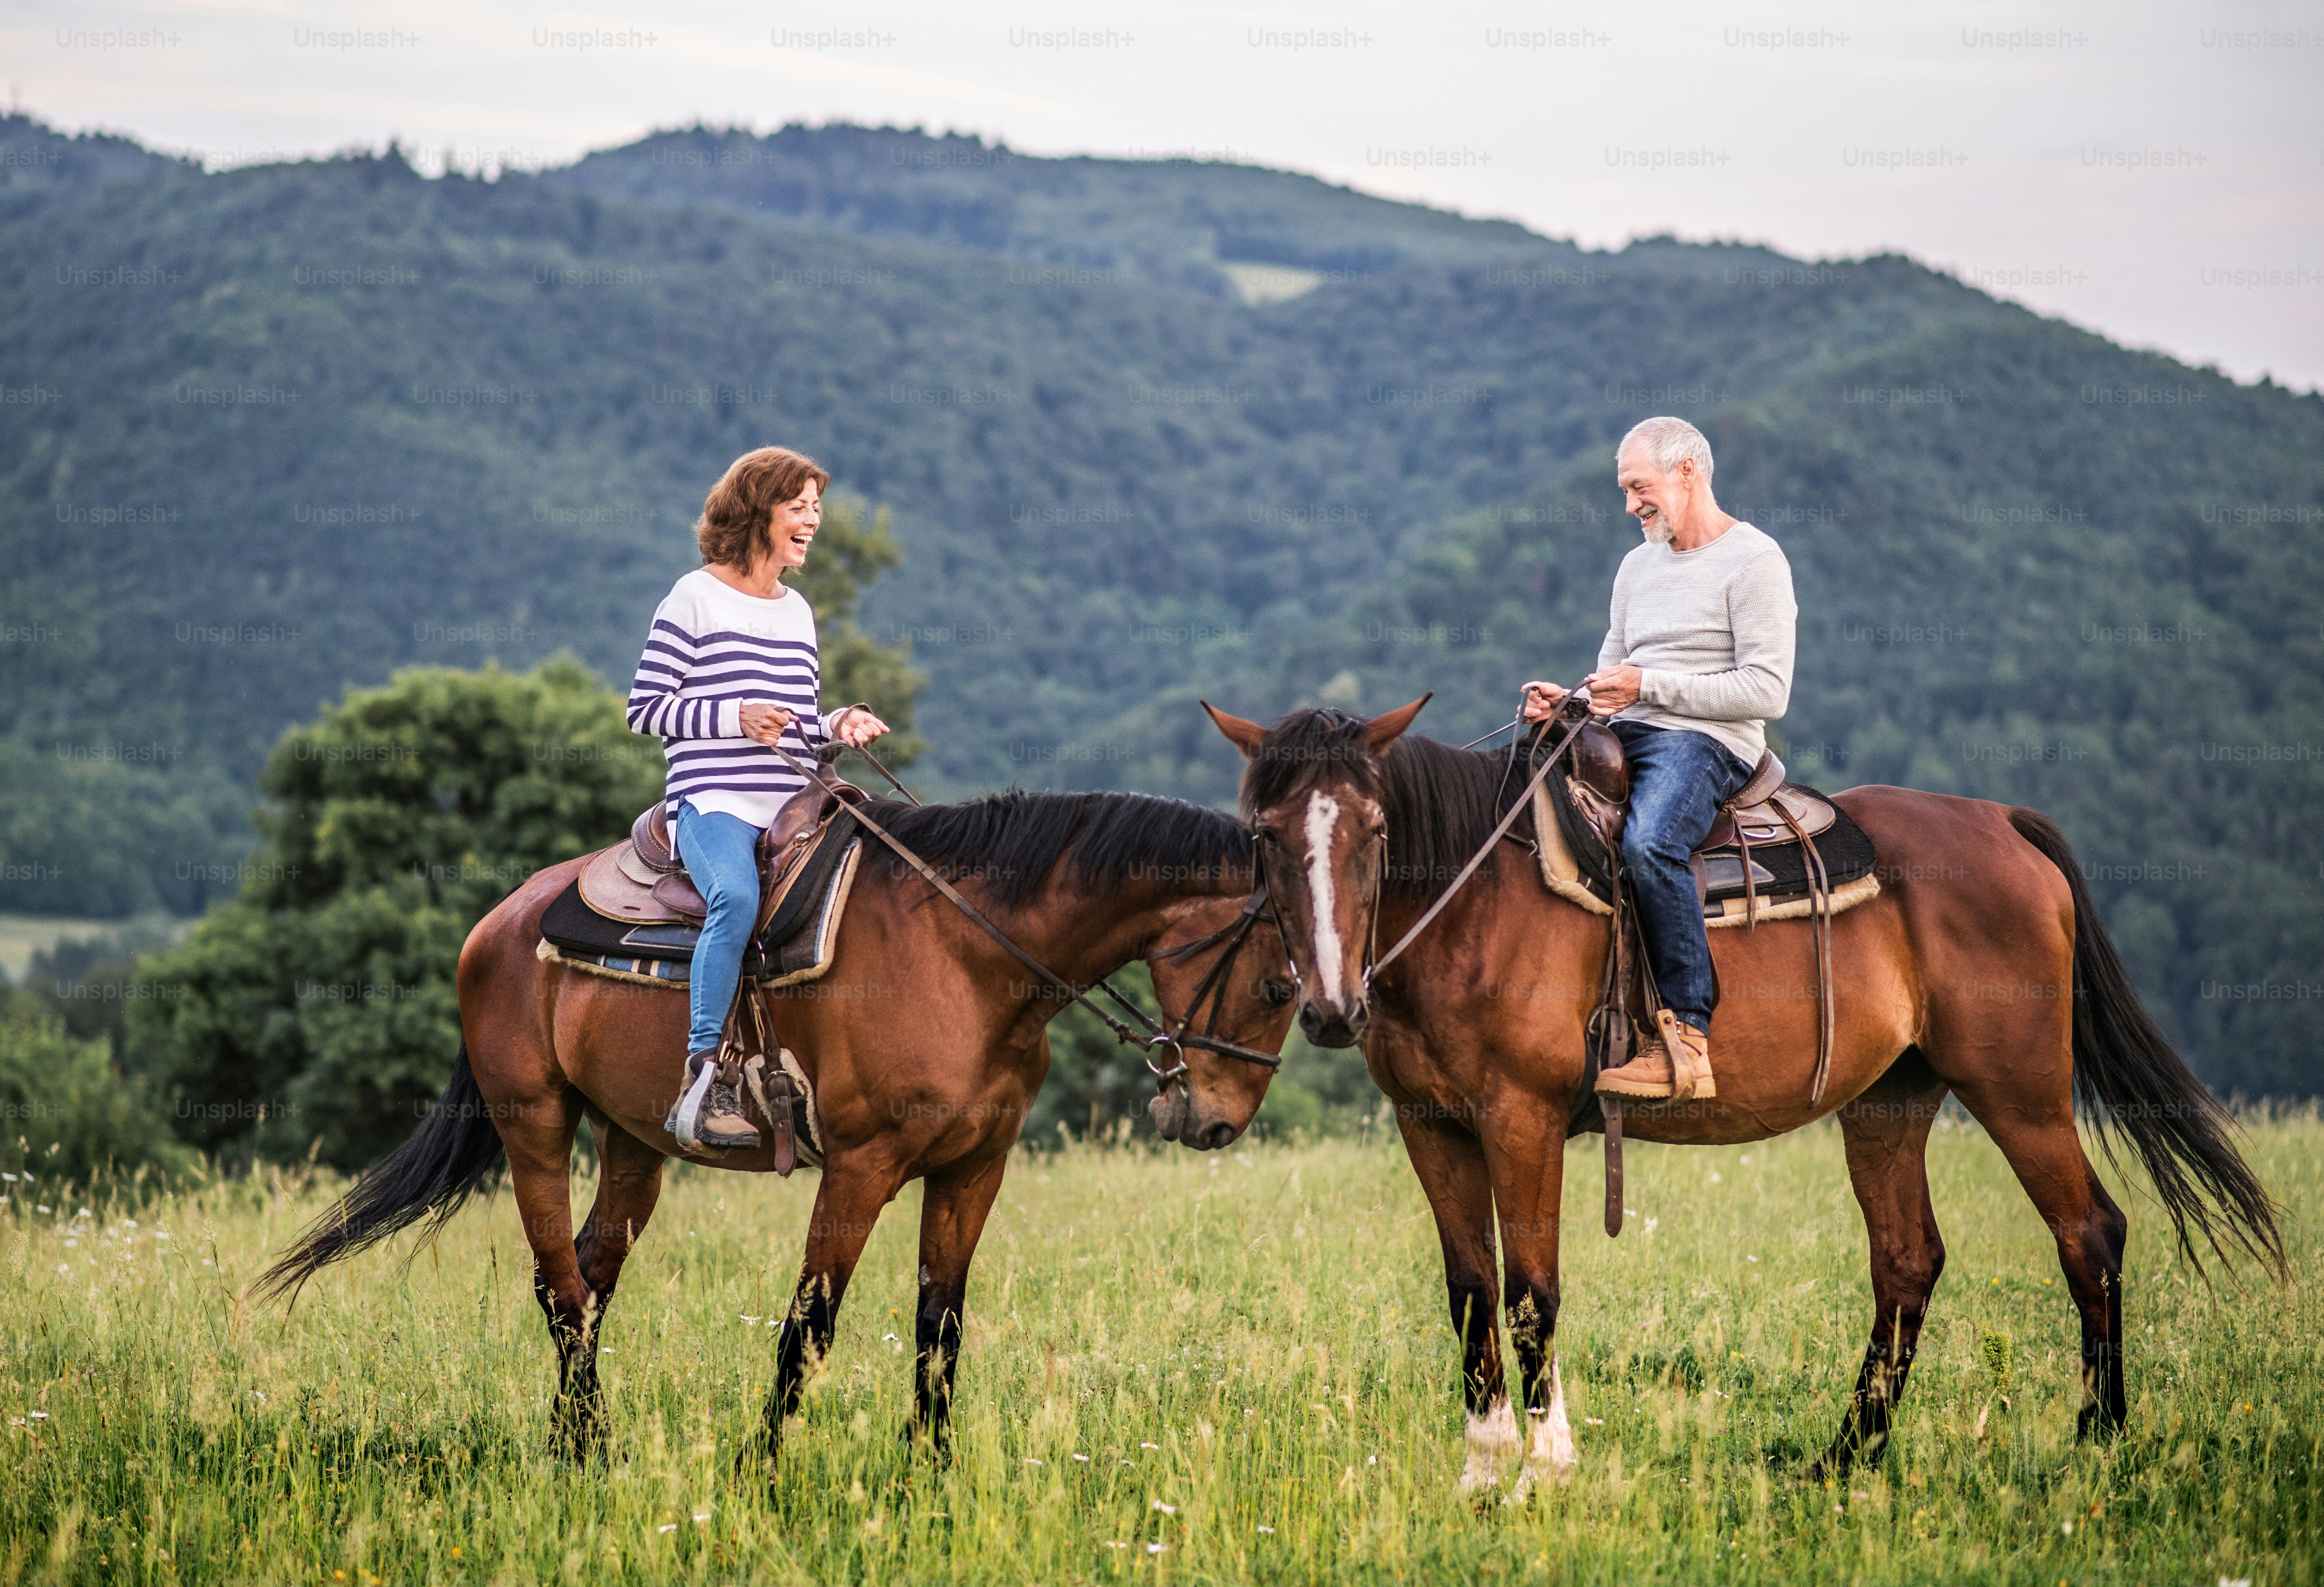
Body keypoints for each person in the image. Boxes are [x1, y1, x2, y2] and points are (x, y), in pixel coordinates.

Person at [1520, 416, 1797, 1100]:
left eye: (1638, 487)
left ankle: (1688, 1037)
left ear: (1687, 472)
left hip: (1711, 741)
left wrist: (1650, 686)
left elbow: (1769, 691)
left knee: (1648, 843)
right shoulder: (1637, 565)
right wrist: (1573, 701)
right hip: (1629, 729)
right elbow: (1613, 668)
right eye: (1624, 490)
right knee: (1517, 804)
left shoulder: (1755, 560)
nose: (1630, 505)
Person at [626, 447, 891, 1149]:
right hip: (713, 801)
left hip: (794, 804)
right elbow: (646, 708)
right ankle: (703, 1078)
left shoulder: (797, 610)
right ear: (757, 513)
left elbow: (799, 720)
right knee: (736, 901)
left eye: (817, 509)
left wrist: (841, 723)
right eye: (798, 508)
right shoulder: (694, 596)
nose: (814, 521)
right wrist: (733, 714)